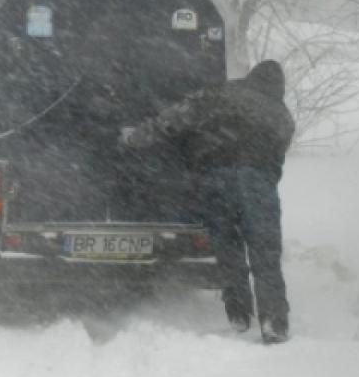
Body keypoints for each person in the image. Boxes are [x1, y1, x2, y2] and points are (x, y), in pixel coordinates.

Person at [122, 60, 295, 343]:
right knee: (266, 253)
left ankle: (239, 313)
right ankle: (273, 321)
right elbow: (277, 156)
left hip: (216, 179)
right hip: (258, 184)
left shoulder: (221, 94)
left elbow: (174, 119)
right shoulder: (283, 116)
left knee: (228, 248)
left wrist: (136, 138)